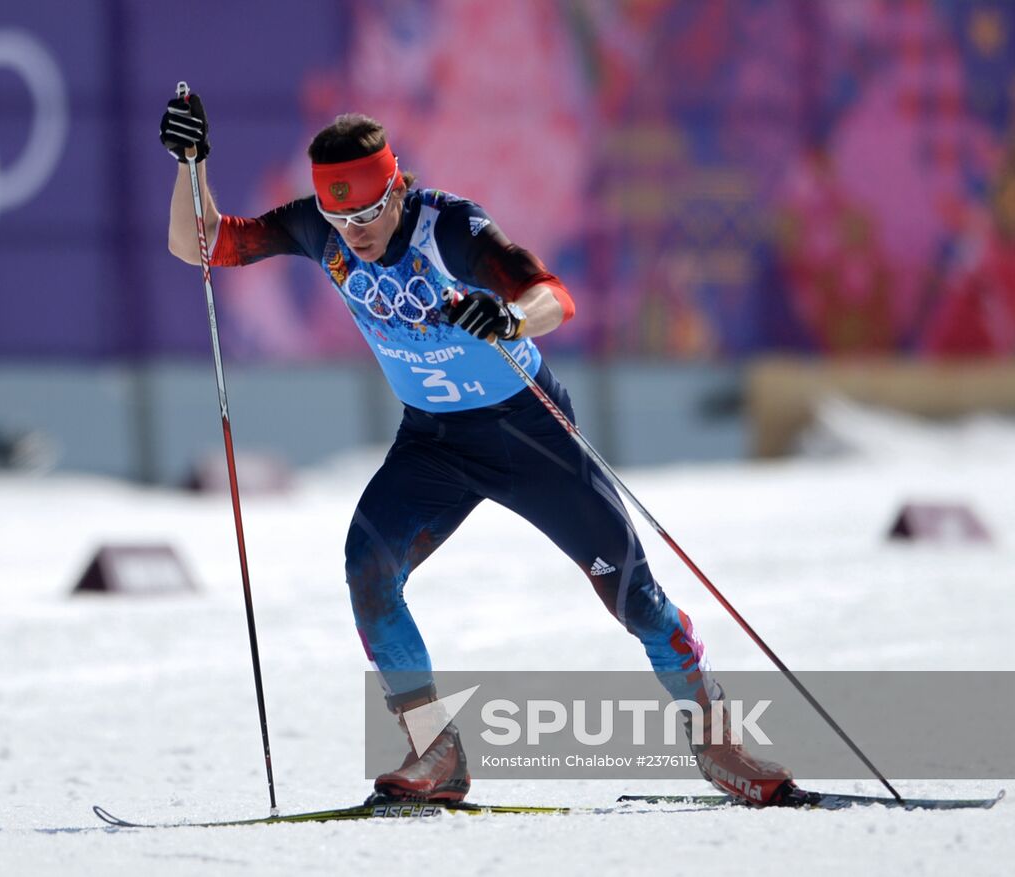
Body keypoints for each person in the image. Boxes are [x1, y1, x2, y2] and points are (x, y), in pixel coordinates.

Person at [161, 91, 794, 806]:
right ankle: (435, 752)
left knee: (635, 600)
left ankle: (717, 738)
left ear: (395, 188)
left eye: (368, 214)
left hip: (527, 430)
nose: (356, 233)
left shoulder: (450, 226)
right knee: (367, 568)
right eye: (341, 219)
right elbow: (202, 244)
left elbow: (553, 294)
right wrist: (192, 166)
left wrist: (512, 315)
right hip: (433, 441)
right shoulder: (319, 227)